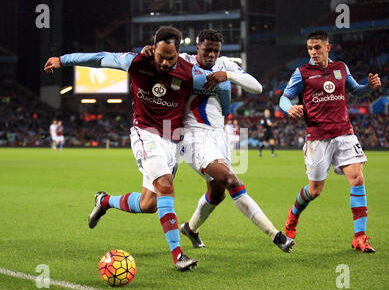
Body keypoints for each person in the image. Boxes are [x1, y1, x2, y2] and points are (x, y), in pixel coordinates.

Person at [44, 26, 231, 271]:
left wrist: (227, 87)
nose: (164, 62)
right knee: (165, 185)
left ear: (179, 54)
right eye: (160, 57)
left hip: (172, 141)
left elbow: (222, 87)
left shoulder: (190, 73)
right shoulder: (136, 61)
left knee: (148, 205)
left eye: (170, 58)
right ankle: (178, 256)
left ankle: (105, 201)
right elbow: (100, 58)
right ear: (153, 48)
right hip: (145, 134)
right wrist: (62, 60)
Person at [142, 30, 295, 252]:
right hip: (192, 136)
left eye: (216, 50)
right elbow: (161, 61)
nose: (212, 54)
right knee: (231, 180)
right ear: (197, 47)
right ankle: (276, 235)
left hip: (219, 136)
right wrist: (149, 51)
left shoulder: (225, 64)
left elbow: (257, 87)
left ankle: (191, 229)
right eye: (207, 50)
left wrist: (229, 75)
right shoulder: (184, 60)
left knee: (217, 193)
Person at [279, 30, 381, 252]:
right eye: (309, 48)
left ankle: (360, 237)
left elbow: (356, 91)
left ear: (328, 48)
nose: (313, 52)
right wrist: (290, 108)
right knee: (315, 190)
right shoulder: (302, 73)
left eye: (317, 47)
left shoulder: (341, 68)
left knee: (357, 180)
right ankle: (293, 215)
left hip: (344, 133)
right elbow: (284, 98)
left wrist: (370, 87)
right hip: (318, 137)